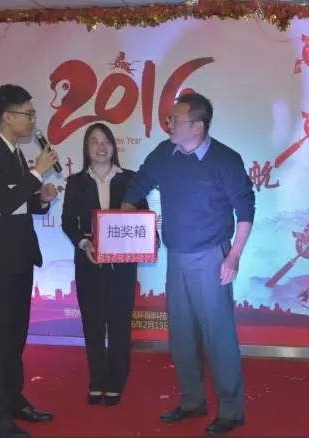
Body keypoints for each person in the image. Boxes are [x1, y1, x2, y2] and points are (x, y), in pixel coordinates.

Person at [121, 93, 255, 435]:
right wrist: (126, 221)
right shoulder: (164, 154)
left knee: (218, 336)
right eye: (169, 119)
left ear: (197, 127)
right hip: (176, 257)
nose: (169, 125)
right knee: (181, 336)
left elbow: (245, 209)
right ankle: (192, 401)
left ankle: (231, 410)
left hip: (212, 257)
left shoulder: (225, 159)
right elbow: (138, 185)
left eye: (175, 120)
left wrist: (234, 256)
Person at [0, 84, 60, 438]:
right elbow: (2, 203)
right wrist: (37, 174)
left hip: (21, 256)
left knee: (15, 336)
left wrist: (43, 198)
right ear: (8, 117)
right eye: (29, 113)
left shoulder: (14, 153)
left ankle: (13, 400)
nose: (34, 120)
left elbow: (18, 203)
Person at [61, 123, 151, 407]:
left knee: (120, 323)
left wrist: (150, 237)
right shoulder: (76, 182)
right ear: (86, 149)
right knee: (93, 324)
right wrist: (83, 243)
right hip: (89, 261)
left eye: (105, 141)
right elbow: (67, 222)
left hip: (122, 264)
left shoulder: (131, 179)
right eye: (94, 142)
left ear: (114, 146)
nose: (100, 147)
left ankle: (117, 380)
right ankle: (97, 379)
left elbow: (143, 216)